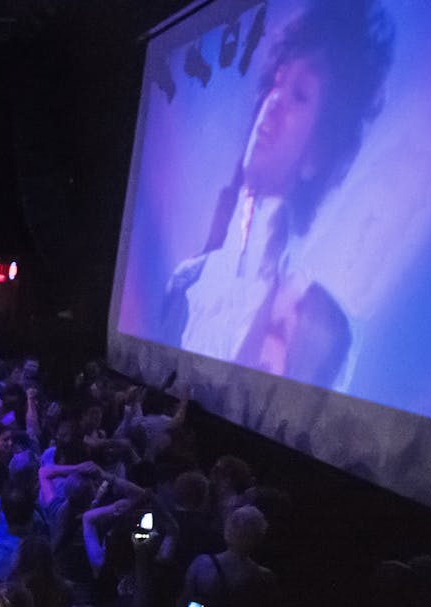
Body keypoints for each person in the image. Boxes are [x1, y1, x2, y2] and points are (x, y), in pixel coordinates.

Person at [157, 1, 395, 387]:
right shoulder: (187, 281)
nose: (273, 103)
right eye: (276, 83)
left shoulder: (322, 327)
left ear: (318, 152)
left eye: (299, 95)